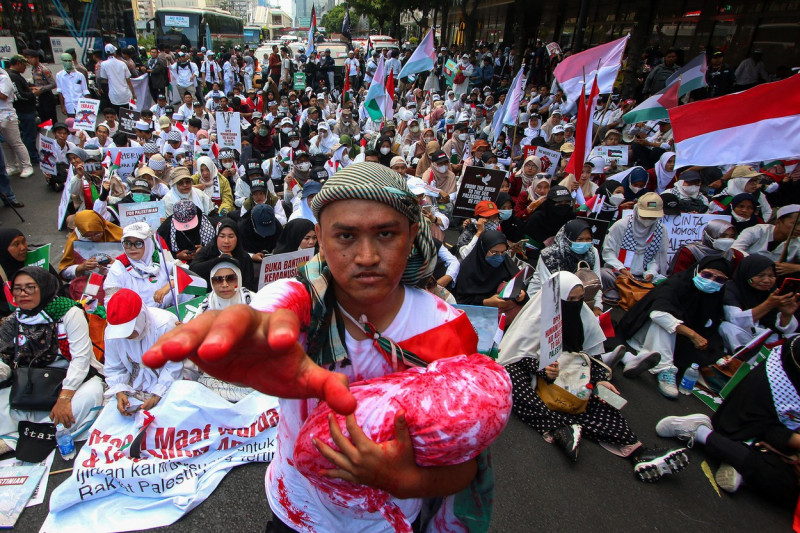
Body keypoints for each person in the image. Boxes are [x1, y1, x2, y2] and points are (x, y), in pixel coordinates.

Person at [143, 162, 507, 532]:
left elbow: (463, 464)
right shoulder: (297, 305)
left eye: (385, 233)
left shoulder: (447, 330)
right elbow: (269, 315)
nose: (366, 256)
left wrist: (401, 480)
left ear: (412, 234)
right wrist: (250, 339)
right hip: (295, 512)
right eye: (345, 236)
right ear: (319, 236)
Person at [498, 272, 689, 480]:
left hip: (571, 375)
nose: (575, 304)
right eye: (569, 300)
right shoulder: (537, 315)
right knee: (510, 378)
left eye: (579, 299)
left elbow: (586, 354)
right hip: (537, 377)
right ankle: (558, 429)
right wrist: (541, 367)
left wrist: (600, 379)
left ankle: (637, 451)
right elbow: (515, 355)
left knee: (602, 398)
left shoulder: (581, 317)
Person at [655, 335, 800, 504]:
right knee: (783, 479)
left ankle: (736, 459)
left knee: (787, 486)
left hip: (777, 434)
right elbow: (775, 434)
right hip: (750, 421)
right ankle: (700, 431)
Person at [0, 267, 104, 449]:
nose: (23, 293)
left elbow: (80, 359)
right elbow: (6, 359)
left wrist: (65, 397)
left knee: (90, 396)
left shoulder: (69, 312)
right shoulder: (13, 320)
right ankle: (29, 434)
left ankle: (21, 437)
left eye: (30, 287)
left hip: (71, 378)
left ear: (44, 287)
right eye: (17, 288)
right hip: (31, 381)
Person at [618, 256, 732, 399]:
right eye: (707, 275)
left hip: (677, 339)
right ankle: (665, 369)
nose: (711, 281)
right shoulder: (676, 283)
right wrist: (692, 335)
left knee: (681, 333)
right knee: (667, 322)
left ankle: (636, 359)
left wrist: (718, 354)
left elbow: (710, 326)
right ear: (698, 271)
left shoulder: (714, 297)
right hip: (645, 330)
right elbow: (657, 313)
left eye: (719, 280)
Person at [103, 289, 183, 416]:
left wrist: (157, 395)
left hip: (166, 381)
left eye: (129, 330)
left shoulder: (165, 325)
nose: (126, 336)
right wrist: (120, 391)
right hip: (133, 384)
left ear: (141, 317)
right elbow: (114, 367)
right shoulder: (111, 333)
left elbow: (173, 366)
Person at [719, 254, 800, 352]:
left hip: (766, 337)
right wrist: (768, 304)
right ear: (747, 274)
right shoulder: (730, 289)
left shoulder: (772, 292)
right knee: (726, 327)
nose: (766, 280)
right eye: (760, 275)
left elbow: (787, 331)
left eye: (771, 276)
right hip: (743, 339)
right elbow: (736, 320)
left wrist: (786, 315)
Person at [601, 193, 669, 304]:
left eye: (652, 217)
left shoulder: (661, 230)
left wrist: (651, 272)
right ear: (637, 210)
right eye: (645, 216)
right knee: (604, 274)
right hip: (620, 273)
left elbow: (657, 258)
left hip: (644, 277)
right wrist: (622, 269)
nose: (648, 220)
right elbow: (608, 252)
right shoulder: (622, 226)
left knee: (664, 284)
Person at [530, 219, 604, 315]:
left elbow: (596, 282)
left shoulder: (592, 252)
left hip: (579, 298)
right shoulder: (549, 256)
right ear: (567, 238)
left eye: (588, 239)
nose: (585, 243)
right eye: (580, 240)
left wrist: (597, 306)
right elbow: (550, 290)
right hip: (545, 297)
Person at [103, 222, 177, 309]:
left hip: (168, 310)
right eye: (128, 243)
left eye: (138, 243)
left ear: (148, 244)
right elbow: (111, 302)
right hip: (137, 317)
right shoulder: (118, 267)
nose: (132, 248)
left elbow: (184, 274)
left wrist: (167, 287)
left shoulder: (159, 258)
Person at [453, 230, 527, 314]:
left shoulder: (506, 263)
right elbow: (462, 301)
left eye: (503, 252)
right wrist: (486, 302)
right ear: (483, 249)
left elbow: (520, 286)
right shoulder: (468, 268)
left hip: (506, 316)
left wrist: (521, 296)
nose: (499, 257)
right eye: (494, 252)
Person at [58, 210, 123, 301]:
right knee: (91, 298)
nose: (94, 238)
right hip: (88, 281)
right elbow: (64, 272)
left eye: (97, 233)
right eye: (88, 236)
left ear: (102, 226)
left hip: (117, 278)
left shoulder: (119, 235)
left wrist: (115, 263)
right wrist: (81, 267)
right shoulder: (75, 240)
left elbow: (136, 261)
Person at [191, 219, 257, 291]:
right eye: (222, 236)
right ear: (216, 237)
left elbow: (249, 286)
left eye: (231, 236)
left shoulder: (244, 257)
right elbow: (193, 269)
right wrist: (218, 260)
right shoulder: (208, 251)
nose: (226, 241)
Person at [732, 204, 800, 269]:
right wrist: (763, 264)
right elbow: (735, 249)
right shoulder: (757, 231)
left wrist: (796, 268)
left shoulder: (798, 241)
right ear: (778, 222)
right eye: (796, 224)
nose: (799, 228)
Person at [669, 219, 742, 275]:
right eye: (723, 236)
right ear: (709, 235)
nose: (728, 240)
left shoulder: (735, 255)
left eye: (731, 236)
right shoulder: (690, 252)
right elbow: (678, 276)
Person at [0, 65, 34, 179]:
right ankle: (12, 165)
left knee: (16, 142)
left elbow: (3, 95)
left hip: (7, 115)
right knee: (5, 143)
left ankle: (27, 166)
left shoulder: (4, 78)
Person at [157, 199, 215, 263]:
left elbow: (219, 250)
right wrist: (176, 256)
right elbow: (159, 253)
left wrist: (204, 251)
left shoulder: (210, 224)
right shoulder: (167, 227)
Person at [6, 55, 38, 165]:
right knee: (28, 136)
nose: (25, 68)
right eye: (24, 65)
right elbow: (19, 95)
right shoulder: (12, 76)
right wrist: (33, 94)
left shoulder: (16, 76)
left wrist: (29, 89)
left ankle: (33, 155)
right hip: (24, 111)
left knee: (31, 135)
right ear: (18, 63)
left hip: (27, 110)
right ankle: (32, 158)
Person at [524, 185, 575, 253]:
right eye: (559, 203)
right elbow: (527, 248)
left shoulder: (571, 218)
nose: (563, 206)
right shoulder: (537, 219)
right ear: (550, 203)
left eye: (567, 202)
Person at [99, 45, 136, 113]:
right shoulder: (123, 64)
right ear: (115, 52)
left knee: (118, 115)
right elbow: (128, 80)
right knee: (129, 115)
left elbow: (105, 78)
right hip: (126, 94)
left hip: (114, 96)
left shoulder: (103, 64)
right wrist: (134, 94)